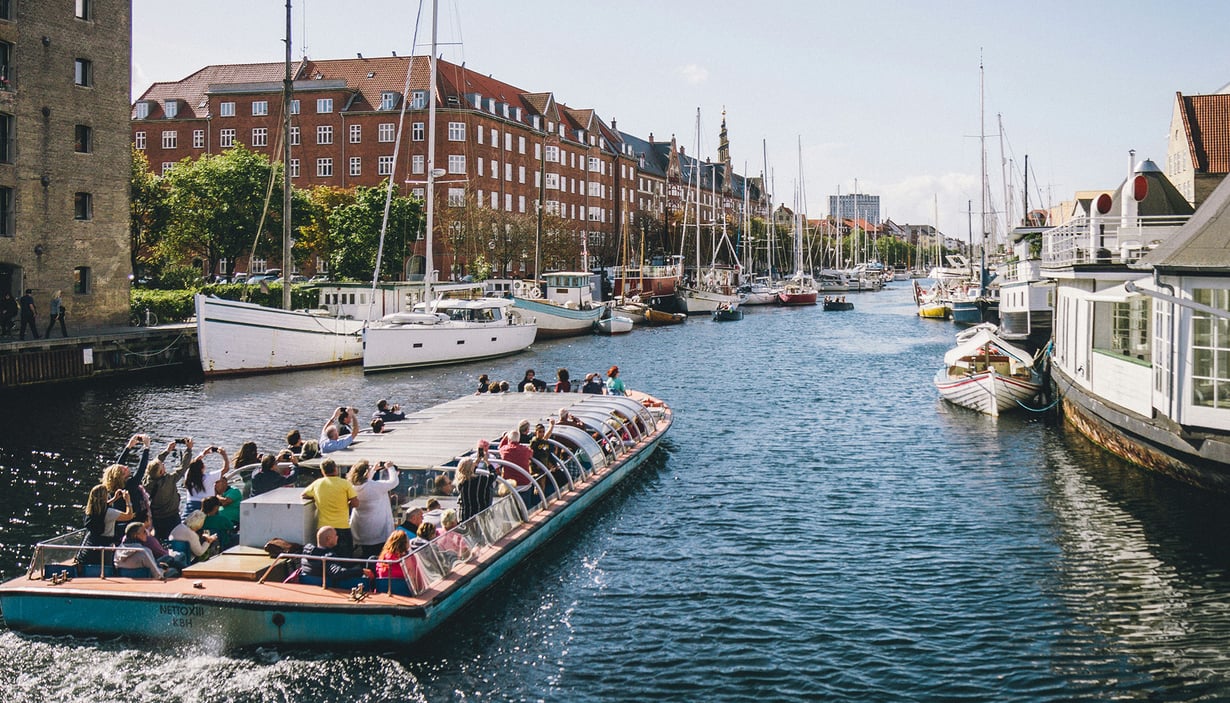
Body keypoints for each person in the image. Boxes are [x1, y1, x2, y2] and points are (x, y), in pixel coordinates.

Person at [302, 458, 359, 556]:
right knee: (345, 557)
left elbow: (304, 495)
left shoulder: (317, 483)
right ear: (335, 469)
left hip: (323, 528)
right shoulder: (345, 483)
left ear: (322, 471)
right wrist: (347, 503)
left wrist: (317, 497)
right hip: (342, 527)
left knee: (324, 558)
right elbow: (355, 503)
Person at [347, 459, 401, 558]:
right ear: (366, 472)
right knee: (377, 557)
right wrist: (390, 468)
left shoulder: (352, 487)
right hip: (378, 531)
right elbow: (393, 482)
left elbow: (364, 483)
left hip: (360, 529)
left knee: (364, 555)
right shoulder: (376, 486)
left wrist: (373, 470)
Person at [145, 438, 192, 540]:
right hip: (172, 517)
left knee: (159, 539)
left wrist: (167, 451)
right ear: (161, 472)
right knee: (175, 539)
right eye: (162, 466)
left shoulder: (147, 481)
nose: (163, 464)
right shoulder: (168, 481)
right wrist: (188, 450)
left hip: (156, 517)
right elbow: (183, 467)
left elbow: (153, 466)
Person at [76, 483, 133, 566]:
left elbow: (102, 506)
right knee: (106, 568)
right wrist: (128, 500)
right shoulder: (110, 513)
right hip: (105, 546)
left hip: (91, 544)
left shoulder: (89, 511)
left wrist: (114, 499)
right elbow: (129, 516)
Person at [299, 526, 372, 584]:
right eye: (336, 535)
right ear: (329, 539)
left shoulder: (306, 552)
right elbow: (337, 573)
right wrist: (361, 571)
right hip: (326, 586)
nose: (337, 537)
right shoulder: (328, 556)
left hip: (307, 584)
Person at [183, 444, 229, 517]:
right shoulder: (209, 477)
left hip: (190, 507)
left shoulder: (188, 476)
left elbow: (192, 465)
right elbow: (226, 468)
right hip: (206, 507)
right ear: (202, 468)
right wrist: (224, 455)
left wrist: (203, 453)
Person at [455, 456, 495, 522]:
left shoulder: (461, 483)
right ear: (471, 467)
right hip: (480, 517)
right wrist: (487, 462)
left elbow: (469, 472)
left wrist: (477, 462)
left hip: (465, 517)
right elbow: (493, 474)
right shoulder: (482, 480)